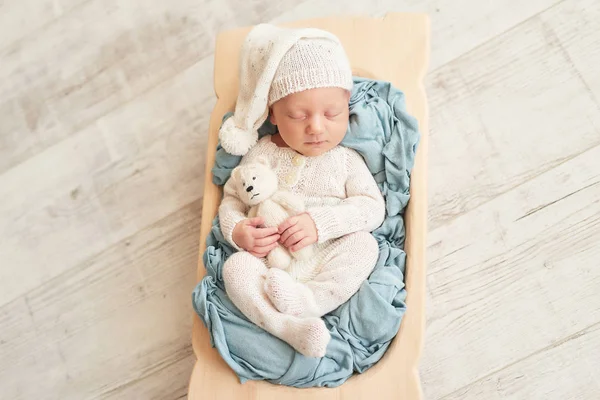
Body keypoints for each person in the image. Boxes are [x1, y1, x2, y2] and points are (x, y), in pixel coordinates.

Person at [217, 24, 385, 358]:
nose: (316, 127)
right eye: (298, 115)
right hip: (270, 263)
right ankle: (287, 328)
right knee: (235, 269)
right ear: (275, 114)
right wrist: (238, 232)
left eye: (331, 113)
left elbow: (372, 209)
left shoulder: (346, 161)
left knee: (365, 246)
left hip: (324, 256)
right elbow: (232, 200)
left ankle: (309, 304)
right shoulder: (262, 153)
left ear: (347, 106)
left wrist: (321, 223)